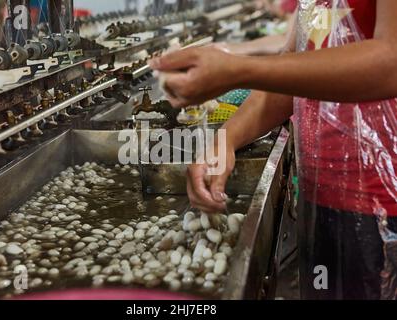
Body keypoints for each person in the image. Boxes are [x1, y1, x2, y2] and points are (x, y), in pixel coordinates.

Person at [149, 0, 397, 300]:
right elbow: (295, 66)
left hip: (384, 207)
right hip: (321, 196)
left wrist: (239, 69)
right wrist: (226, 140)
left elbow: (391, 60)